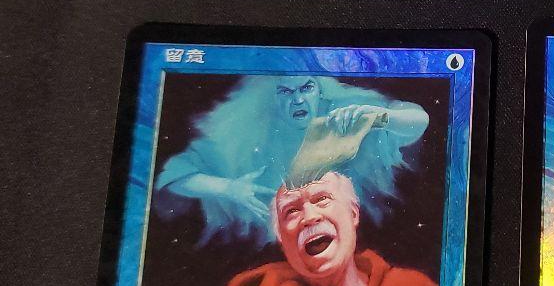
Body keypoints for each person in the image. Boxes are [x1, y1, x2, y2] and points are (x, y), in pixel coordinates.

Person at [154, 75, 428, 245]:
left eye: (306, 88)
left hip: (348, 241)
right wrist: (229, 188)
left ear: (319, 90)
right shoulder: (246, 132)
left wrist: (381, 117)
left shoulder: (345, 115)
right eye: (285, 91)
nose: (297, 100)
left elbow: (419, 121)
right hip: (268, 251)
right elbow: (173, 175)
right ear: (271, 97)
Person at [226, 172, 438, 286]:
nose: (310, 217)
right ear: (281, 238)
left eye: (322, 199)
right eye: (292, 211)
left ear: (353, 214)